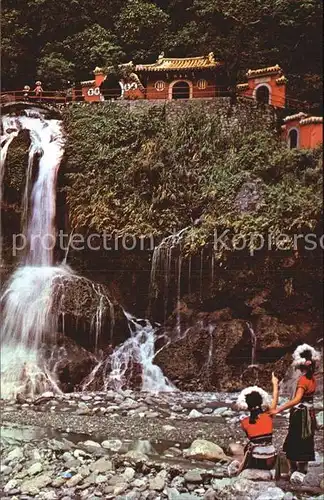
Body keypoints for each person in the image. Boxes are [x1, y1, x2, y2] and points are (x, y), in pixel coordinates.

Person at [269, 343, 321, 476]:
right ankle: (303, 470)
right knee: (306, 440)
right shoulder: (312, 379)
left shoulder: (303, 380)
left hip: (300, 415)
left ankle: (292, 470)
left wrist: (278, 409)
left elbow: (297, 399)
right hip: (310, 414)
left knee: (293, 440)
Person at [230, 372, 279, 475]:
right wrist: (275, 383)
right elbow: (274, 400)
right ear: (261, 402)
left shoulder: (244, 422)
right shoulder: (268, 416)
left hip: (256, 461)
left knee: (248, 446)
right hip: (271, 460)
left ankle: (240, 471)